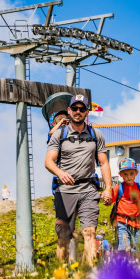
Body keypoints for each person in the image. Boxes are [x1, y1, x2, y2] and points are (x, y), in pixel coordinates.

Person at [45, 94, 112, 266]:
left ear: (86, 112)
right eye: (74, 108)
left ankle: (87, 276)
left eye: (82, 109)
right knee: (64, 238)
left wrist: (108, 188)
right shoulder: (59, 135)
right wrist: (60, 173)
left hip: (88, 189)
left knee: (89, 233)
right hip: (65, 191)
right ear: (69, 111)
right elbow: (48, 162)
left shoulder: (96, 135)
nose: (78, 111)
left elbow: (104, 163)